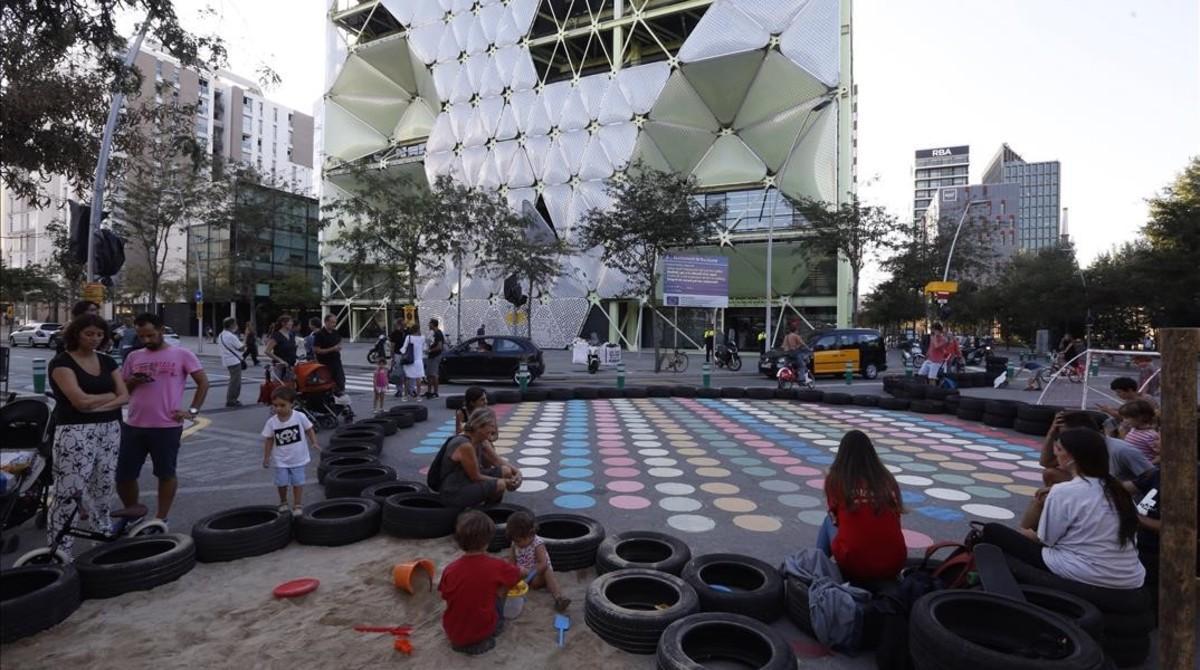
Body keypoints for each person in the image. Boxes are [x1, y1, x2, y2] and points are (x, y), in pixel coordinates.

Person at [980, 428, 1145, 590]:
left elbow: (1046, 540)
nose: (1055, 454)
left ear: (1072, 457)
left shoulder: (1065, 491)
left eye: (1058, 449)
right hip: (1130, 576)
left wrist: (1027, 534)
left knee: (992, 531)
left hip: (1087, 572)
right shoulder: (1117, 490)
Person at [46, 314, 129, 557]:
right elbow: (79, 402)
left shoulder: (107, 361)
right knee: (69, 492)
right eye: (89, 333)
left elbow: (124, 396)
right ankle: (59, 551)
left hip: (110, 429)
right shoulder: (62, 363)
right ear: (76, 334)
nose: (95, 339)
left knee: (103, 488)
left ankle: (101, 538)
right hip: (74, 431)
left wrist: (97, 404)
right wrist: (108, 398)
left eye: (99, 334)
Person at [118, 313, 209, 528]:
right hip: (134, 425)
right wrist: (132, 381)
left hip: (167, 426)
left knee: (165, 473)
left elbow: (203, 383)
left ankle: (161, 518)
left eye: (150, 335)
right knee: (124, 474)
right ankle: (133, 513)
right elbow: (123, 390)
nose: (146, 340)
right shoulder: (134, 357)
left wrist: (192, 410)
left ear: (161, 330)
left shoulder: (182, 354)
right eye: (141, 337)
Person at [818, 430, 906, 583]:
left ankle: (817, 568)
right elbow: (896, 519)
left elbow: (835, 517)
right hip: (895, 562)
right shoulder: (886, 479)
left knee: (828, 521)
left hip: (854, 565)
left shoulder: (836, 479)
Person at [438, 510, 522, 655]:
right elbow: (517, 574)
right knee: (501, 587)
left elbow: (445, 595)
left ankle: (467, 640)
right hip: (481, 632)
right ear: (487, 541)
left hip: (452, 631)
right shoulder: (496, 566)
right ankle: (493, 630)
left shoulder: (449, 569)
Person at [1037, 411, 1153, 490]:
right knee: (1050, 475)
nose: (1063, 441)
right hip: (1091, 485)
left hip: (1113, 492)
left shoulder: (1122, 450)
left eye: (1067, 436)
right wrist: (1051, 433)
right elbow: (1046, 463)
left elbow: (1152, 477)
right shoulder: (1079, 446)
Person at [437, 408, 520, 509]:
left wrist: (517, 473)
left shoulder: (481, 440)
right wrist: (506, 482)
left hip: (467, 481)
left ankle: (488, 508)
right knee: (500, 484)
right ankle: (482, 514)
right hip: (454, 490)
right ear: (479, 426)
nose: (494, 430)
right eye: (491, 426)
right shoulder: (464, 445)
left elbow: (497, 461)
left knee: (506, 471)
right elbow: (476, 477)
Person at [261, 386, 319, 515]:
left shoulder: (299, 416)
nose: (278, 409)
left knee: (298, 482)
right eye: (275, 405)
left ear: (292, 404)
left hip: (297, 458)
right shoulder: (272, 422)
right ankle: (283, 501)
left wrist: (314, 442)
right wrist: (266, 457)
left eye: (282, 405)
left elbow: (309, 429)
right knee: (281, 482)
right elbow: (269, 439)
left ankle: (298, 504)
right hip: (280, 459)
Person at [505, 511, 570, 612]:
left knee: (547, 570)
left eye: (519, 541)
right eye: (515, 540)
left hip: (536, 576)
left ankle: (558, 597)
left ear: (530, 534)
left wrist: (530, 574)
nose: (517, 543)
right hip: (522, 577)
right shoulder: (515, 544)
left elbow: (542, 563)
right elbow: (511, 563)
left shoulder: (537, 544)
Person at [312, 314, 346, 393]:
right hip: (325, 363)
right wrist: (332, 349)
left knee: (340, 381)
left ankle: (338, 397)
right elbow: (316, 350)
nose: (334, 324)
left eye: (335, 322)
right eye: (332, 322)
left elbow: (340, 340)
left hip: (336, 361)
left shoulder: (335, 332)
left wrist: (339, 346)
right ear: (326, 322)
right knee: (326, 383)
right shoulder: (319, 334)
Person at [218, 317, 246, 407]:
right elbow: (241, 348)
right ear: (231, 325)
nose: (236, 326)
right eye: (235, 324)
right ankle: (232, 400)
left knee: (233, 380)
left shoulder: (221, 335)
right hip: (234, 361)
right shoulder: (231, 336)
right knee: (235, 382)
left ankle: (232, 399)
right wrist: (245, 341)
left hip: (227, 360)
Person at [265, 315, 297, 383]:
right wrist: (280, 360)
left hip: (291, 366)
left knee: (290, 388)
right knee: (279, 387)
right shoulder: (277, 335)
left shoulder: (291, 334)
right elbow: (267, 351)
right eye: (290, 322)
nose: (292, 324)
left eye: (292, 322)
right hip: (280, 367)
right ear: (283, 323)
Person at [399, 323, 426, 400]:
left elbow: (404, 349)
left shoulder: (409, 337)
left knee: (407, 378)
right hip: (418, 361)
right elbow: (424, 348)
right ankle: (418, 396)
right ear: (418, 330)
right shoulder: (422, 338)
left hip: (409, 360)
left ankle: (405, 396)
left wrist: (401, 354)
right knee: (418, 379)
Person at [425, 318, 446, 399]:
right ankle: (429, 391)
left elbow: (439, 346)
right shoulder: (434, 333)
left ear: (433, 324)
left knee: (434, 374)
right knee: (429, 374)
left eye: (429, 324)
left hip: (435, 356)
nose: (428, 325)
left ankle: (435, 392)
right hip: (432, 356)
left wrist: (429, 350)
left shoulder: (438, 333)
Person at [388, 318, 408, 398]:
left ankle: (408, 390)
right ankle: (399, 390)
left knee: (407, 373)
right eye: (403, 325)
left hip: (406, 354)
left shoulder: (407, 332)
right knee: (398, 373)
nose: (404, 326)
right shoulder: (394, 333)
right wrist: (392, 357)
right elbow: (392, 346)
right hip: (398, 354)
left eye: (404, 325)